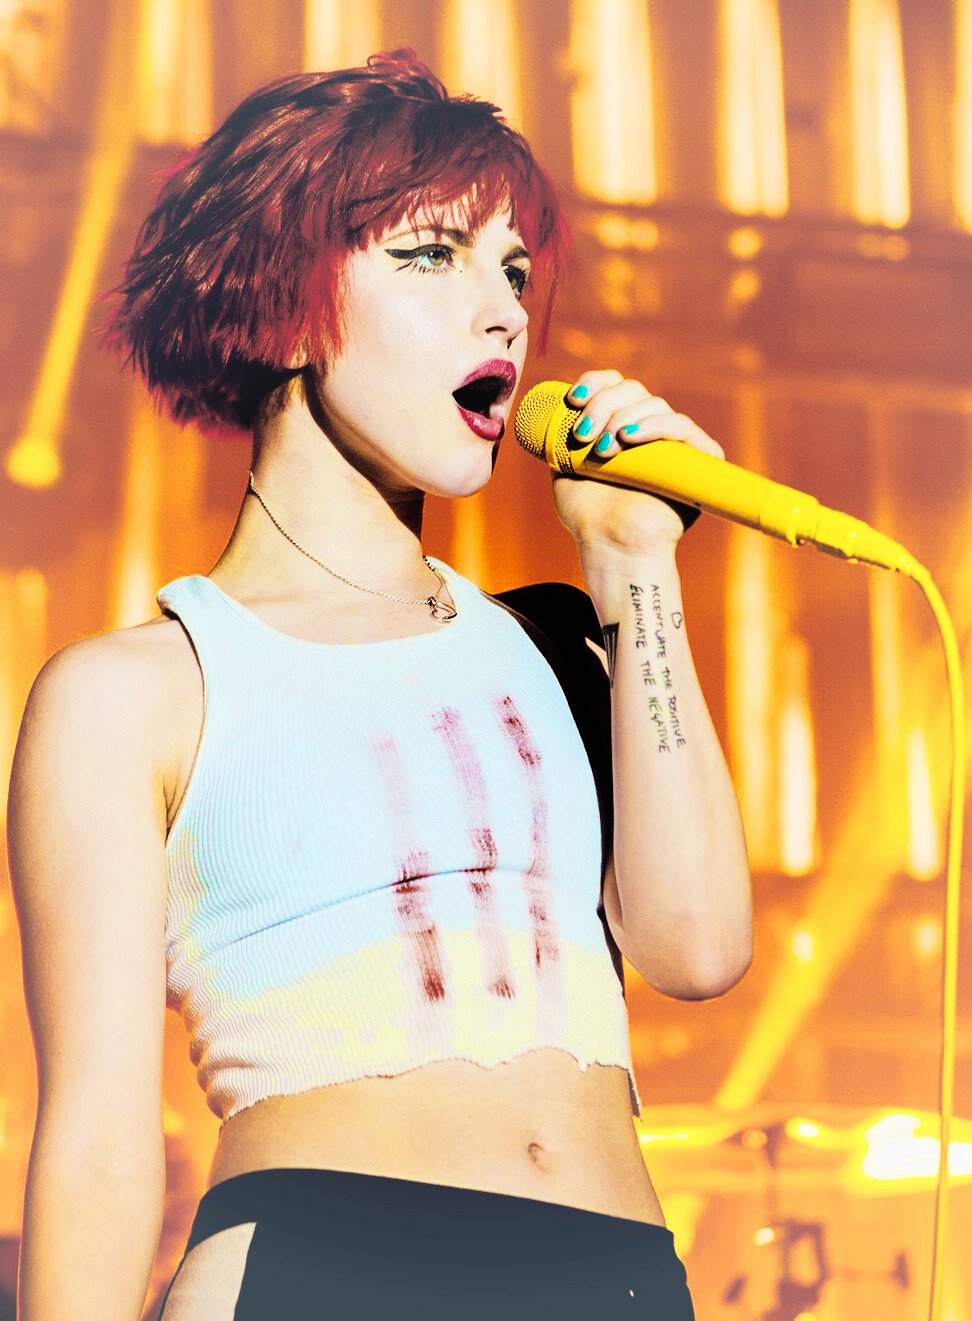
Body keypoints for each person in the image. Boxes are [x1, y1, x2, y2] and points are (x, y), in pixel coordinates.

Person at [8, 50, 752, 1320]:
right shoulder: (139, 691)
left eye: (513, 270)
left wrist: (637, 566)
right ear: (285, 303)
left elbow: (697, 948)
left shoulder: (553, 646)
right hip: (320, 1267)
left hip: (616, 1276)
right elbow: (98, 1145)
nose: (504, 312)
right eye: (432, 256)